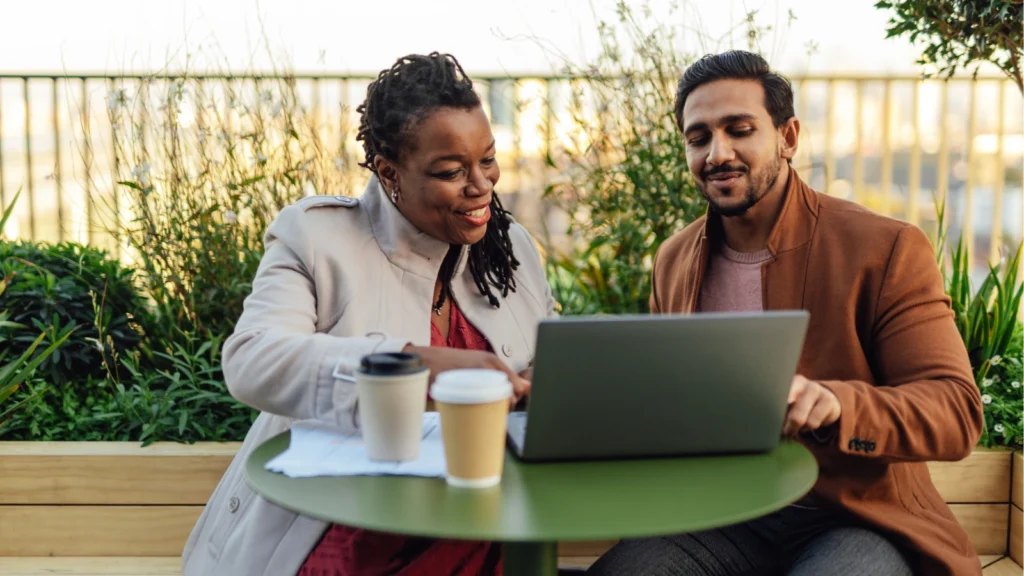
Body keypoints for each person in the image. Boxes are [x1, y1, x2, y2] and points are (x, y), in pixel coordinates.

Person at [586, 51, 984, 576]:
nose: (717, 153)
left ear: (788, 137)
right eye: (698, 137)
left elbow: (955, 411)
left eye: (740, 129)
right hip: (718, 517)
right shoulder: (673, 259)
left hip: (851, 518)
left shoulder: (884, 248)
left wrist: (837, 403)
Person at [181, 52, 556, 576]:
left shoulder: (510, 247)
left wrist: (541, 386)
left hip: (483, 525)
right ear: (389, 172)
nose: (482, 186)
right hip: (340, 534)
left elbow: (540, 362)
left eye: (487, 159)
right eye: (451, 171)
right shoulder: (316, 238)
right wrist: (410, 364)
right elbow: (251, 360)